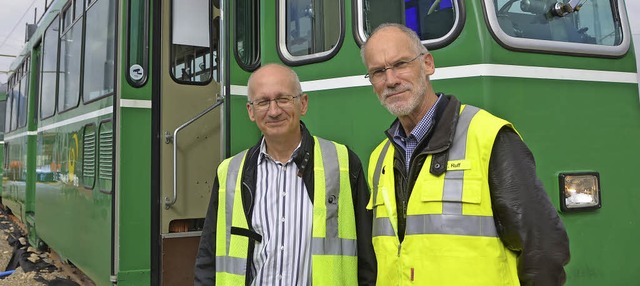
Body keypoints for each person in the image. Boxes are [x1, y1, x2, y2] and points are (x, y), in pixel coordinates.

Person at [360, 23, 570, 285]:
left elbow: (543, 247)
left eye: (401, 64)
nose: (390, 80)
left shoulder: (489, 137)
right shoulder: (379, 159)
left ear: (427, 64)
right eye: (378, 72)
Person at [194, 63, 376, 285]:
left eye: (283, 99)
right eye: (263, 102)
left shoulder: (343, 163)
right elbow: (208, 259)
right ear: (251, 111)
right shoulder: (230, 172)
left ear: (303, 103)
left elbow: (369, 256)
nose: (273, 111)